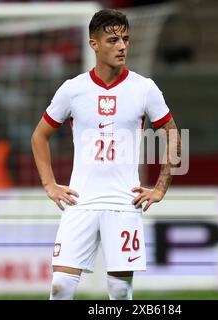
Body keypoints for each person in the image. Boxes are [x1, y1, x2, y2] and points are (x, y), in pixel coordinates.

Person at [31, 9, 180, 300]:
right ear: (93, 44)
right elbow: (39, 136)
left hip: (124, 202)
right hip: (81, 200)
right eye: (113, 40)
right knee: (60, 286)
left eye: (125, 39)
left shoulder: (145, 89)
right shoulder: (73, 90)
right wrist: (49, 184)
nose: (122, 46)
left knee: (119, 292)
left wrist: (161, 187)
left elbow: (173, 134)